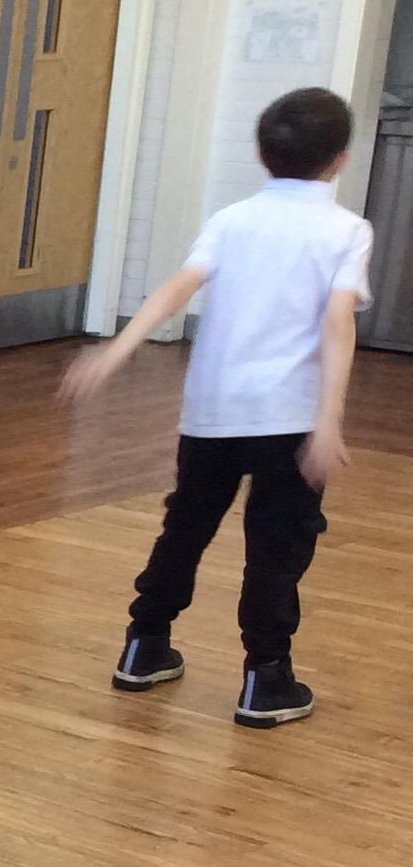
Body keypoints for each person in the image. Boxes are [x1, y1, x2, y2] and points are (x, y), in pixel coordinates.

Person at [62, 86, 369, 727]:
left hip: (213, 410)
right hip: (289, 416)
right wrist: (329, 421)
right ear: (340, 159)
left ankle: (144, 646)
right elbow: (338, 321)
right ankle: (266, 679)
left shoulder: (231, 219)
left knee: (186, 527)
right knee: (277, 547)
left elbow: (178, 288)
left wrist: (115, 352)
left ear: (261, 154)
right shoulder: (346, 231)